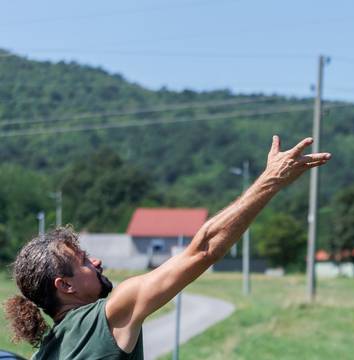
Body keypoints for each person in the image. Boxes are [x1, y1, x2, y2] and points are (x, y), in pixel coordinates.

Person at [4, 136, 331, 359]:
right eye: (84, 262)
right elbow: (204, 250)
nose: (98, 261)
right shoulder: (110, 313)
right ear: (66, 285)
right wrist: (270, 180)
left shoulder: (46, 351)